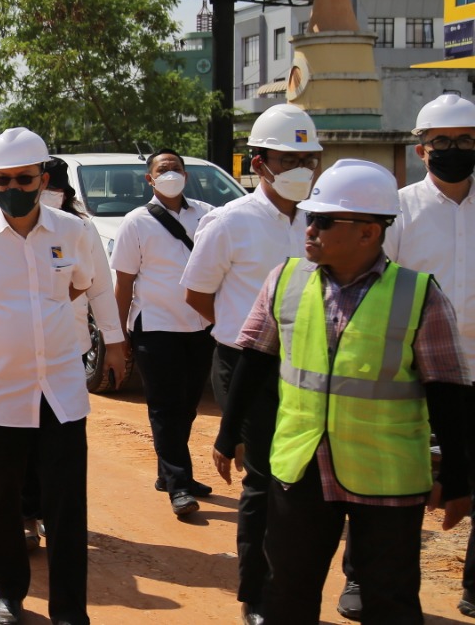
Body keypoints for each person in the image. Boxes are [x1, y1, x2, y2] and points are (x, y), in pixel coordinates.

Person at [212, 158, 472, 624]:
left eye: (324, 221)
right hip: (302, 466)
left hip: (387, 476)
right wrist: (227, 431)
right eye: (311, 218)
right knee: (287, 591)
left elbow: (448, 390)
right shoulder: (285, 280)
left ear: (369, 233)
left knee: (388, 600)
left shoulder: (420, 295)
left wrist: (458, 475)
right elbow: (253, 359)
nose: (309, 229)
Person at [0, 127, 123, 625]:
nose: (12, 189)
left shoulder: (72, 232)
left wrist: (115, 341)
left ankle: (68, 609)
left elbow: (95, 286)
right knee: (3, 502)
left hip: (60, 387)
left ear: (43, 179)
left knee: (67, 506)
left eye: (23, 178)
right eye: (2, 180)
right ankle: (9, 593)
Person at [180, 103, 322, 625]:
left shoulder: (323, 221)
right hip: (246, 364)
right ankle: (256, 595)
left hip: (311, 369)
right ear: (258, 163)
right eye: (289, 160)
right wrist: (242, 331)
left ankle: (297, 588)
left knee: (305, 482)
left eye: (310, 158)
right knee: (262, 480)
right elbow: (197, 293)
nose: (303, 170)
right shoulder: (229, 222)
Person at [383, 92, 475, 618]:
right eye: (442, 141)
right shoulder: (398, 210)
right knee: (395, 490)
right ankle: (371, 582)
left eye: (465, 140)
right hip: (413, 377)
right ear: (421, 150)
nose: (454, 150)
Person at [17, 157, 125, 549]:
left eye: (55, 187)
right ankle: (26, 515)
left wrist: (113, 342)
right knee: (23, 442)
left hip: (68, 350)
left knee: (58, 440)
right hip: (19, 355)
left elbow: (99, 286)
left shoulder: (80, 229)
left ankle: (49, 513)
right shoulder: (10, 230)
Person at [111, 149, 216, 517]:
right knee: (165, 407)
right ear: (150, 179)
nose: (170, 173)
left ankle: (168, 472)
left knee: (188, 406)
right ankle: (180, 483)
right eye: (163, 169)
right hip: (155, 328)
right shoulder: (136, 222)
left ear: (186, 175)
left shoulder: (207, 215)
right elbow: (123, 284)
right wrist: (119, 332)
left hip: (200, 326)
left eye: (176, 168)